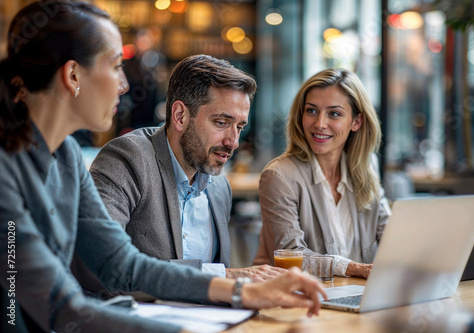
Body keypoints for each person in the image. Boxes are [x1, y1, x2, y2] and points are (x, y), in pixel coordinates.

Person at [0, 1, 327, 332]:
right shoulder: (7, 170)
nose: (124, 84)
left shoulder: (67, 154)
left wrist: (243, 290)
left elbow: (121, 264)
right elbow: (62, 306)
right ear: (72, 76)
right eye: (115, 66)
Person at [74, 54, 283, 296]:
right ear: (180, 116)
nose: (233, 142)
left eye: (239, 126)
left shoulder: (218, 186)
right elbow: (96, 262)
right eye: (221, 123)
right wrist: (222, 277)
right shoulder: (128, 158)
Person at [253, 69, 391, 278]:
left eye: (334, 113)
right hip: (294, 300)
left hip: (358, 297)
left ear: (357, 122)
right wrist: (352, 268)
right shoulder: (279, 176)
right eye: (311, 111)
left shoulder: (366, 167)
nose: (319, 123)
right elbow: (292, 258)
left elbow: (391, 236)